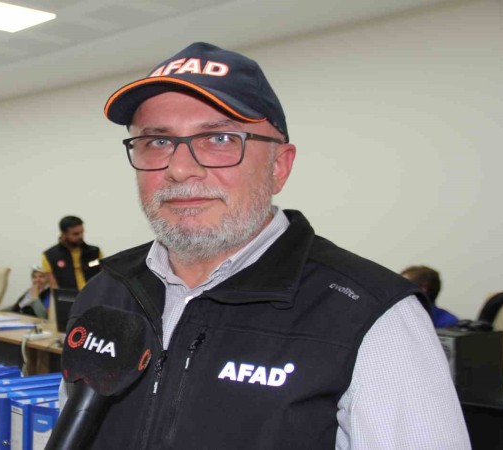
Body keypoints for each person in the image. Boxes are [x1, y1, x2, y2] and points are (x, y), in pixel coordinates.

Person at [65, 42, 470, 449]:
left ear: (279, 167)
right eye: (157, 142)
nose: (180, 168)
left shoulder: (373, 317)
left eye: (219, 138)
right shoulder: (104, 294)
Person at [41, 216, 103, 290]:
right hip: (68, 296)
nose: (80, 236)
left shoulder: (95, 252)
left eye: (82, 232)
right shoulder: (50, 256)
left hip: (94, 294)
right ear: (64, 234)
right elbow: (54, 287)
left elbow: (104, 277)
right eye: (75, 234)